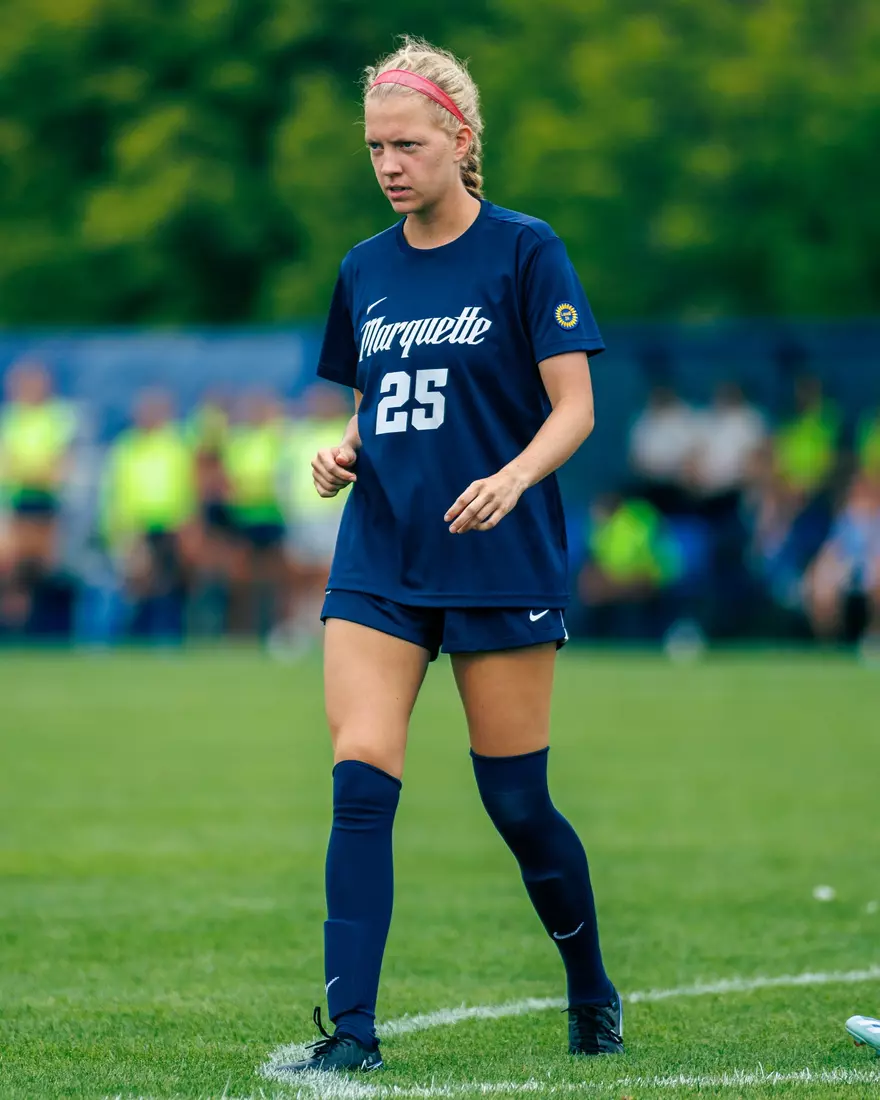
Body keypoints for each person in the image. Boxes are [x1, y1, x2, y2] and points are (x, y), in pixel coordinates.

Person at [279, 37, 621, 1076]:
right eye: (375, 148)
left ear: (460, 141)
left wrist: (514, 477)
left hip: (498, 557)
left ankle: (590, 989)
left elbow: (575, 407)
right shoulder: (363, 268)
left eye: (409, 145)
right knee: (359, 777)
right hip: (381, 552)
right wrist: (345, 448)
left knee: (516, 804)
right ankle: (351, 1031)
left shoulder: (525, 249)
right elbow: (375, 402)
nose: (389, 165)